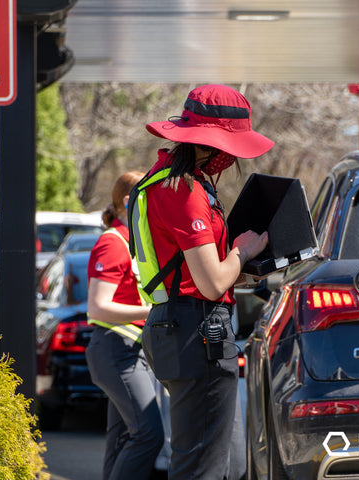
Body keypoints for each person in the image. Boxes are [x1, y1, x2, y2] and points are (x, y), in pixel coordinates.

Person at [136, 84, 274, 479]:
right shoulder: (185, 190)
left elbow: (192, 272)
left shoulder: (162, 178)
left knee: (224, 463)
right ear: (212, 143)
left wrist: (241, 268)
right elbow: (212, 283)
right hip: (197, 334)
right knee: (203, 469)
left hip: (180, 330)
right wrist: (242, 251)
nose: (230, 158)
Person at [86, 171, 164, 480]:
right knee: (148, 434)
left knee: (122, 440)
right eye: (154, 199)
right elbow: (97, 306)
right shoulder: (114, 243)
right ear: (131, 202)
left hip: (128, 353)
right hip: (116, 352)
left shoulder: (132, 242)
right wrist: (151, 311)